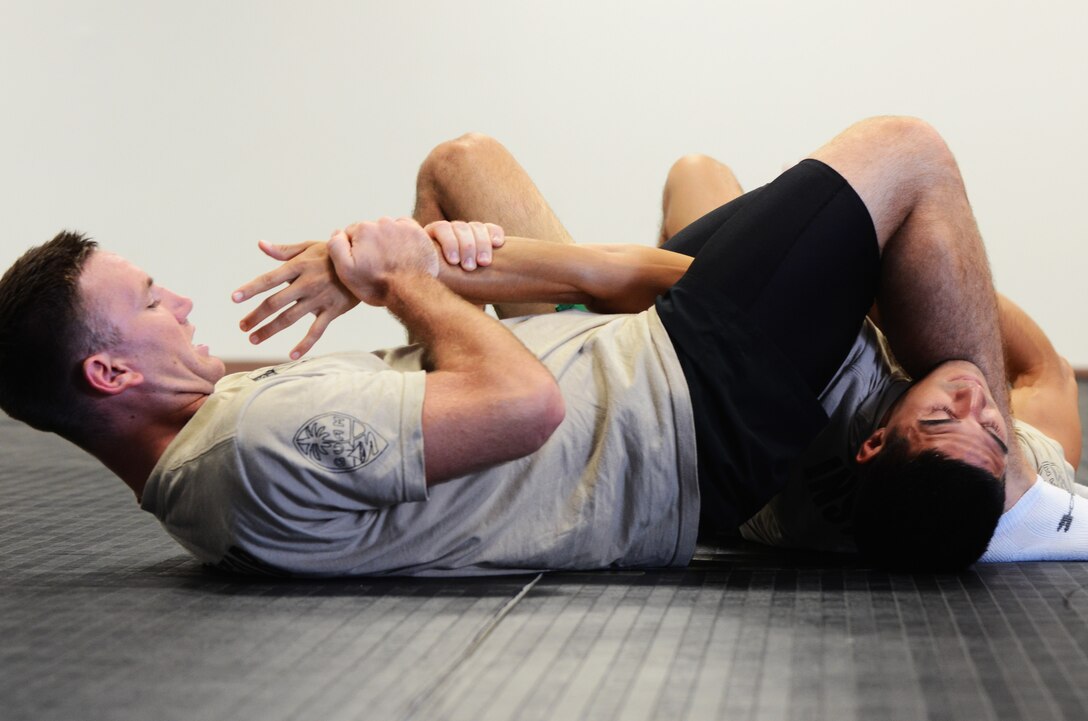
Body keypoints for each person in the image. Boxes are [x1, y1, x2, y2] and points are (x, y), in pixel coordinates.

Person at [0, 117, 1037, 576]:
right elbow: (520, 406)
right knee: (906, 152)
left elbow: (480, 392)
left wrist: (416, 263)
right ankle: (1017, 480)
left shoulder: (224, 445)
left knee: (467, 164)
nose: (179, 298)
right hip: (669, 409)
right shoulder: (247, 446)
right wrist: (399, 275)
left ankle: (650, 272)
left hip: (619, 371)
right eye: (148, 299)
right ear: (110, 371)